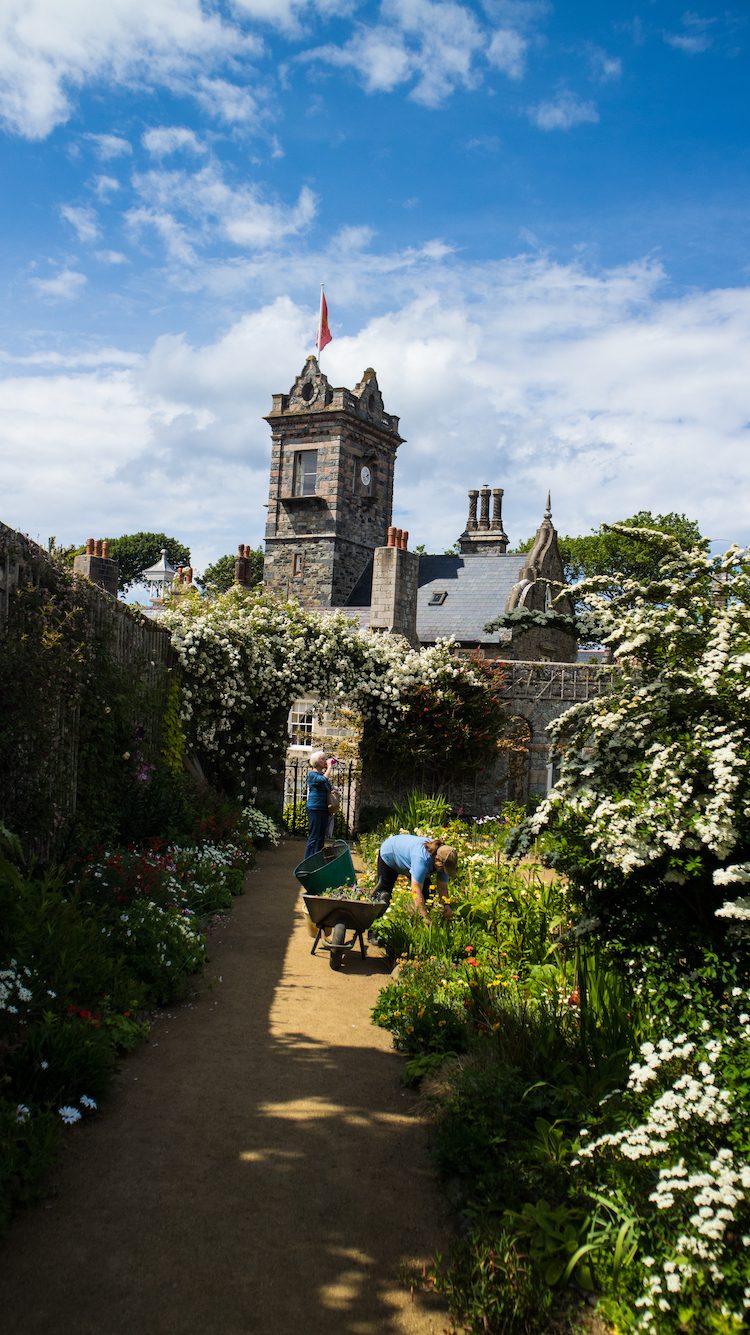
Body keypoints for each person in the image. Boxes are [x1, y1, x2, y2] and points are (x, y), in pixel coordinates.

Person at [371, 833, 458, 924]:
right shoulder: (421, 859)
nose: (444, 872)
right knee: (382, 897)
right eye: (443, 869)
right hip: (390, 853)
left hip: (408, 858)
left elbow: (442, 888)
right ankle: (373, 932)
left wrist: (446, 905)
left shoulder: (446, 860)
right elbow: (416, 891)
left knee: (428, 893)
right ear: (436, 859)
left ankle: (417, 924)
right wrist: (425, 917)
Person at [304, 750, 336, 859]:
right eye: (322, 759)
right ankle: (308, 860)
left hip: (324, 809)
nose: (325, 761)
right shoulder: (312, 775)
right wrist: (330, 767)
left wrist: (333, 790)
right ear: (316, 762)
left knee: (321, 838)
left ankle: (317, 859)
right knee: (314, 837)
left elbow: (327, 785)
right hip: (314, 809)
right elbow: (323, 780)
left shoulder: (322, 774)